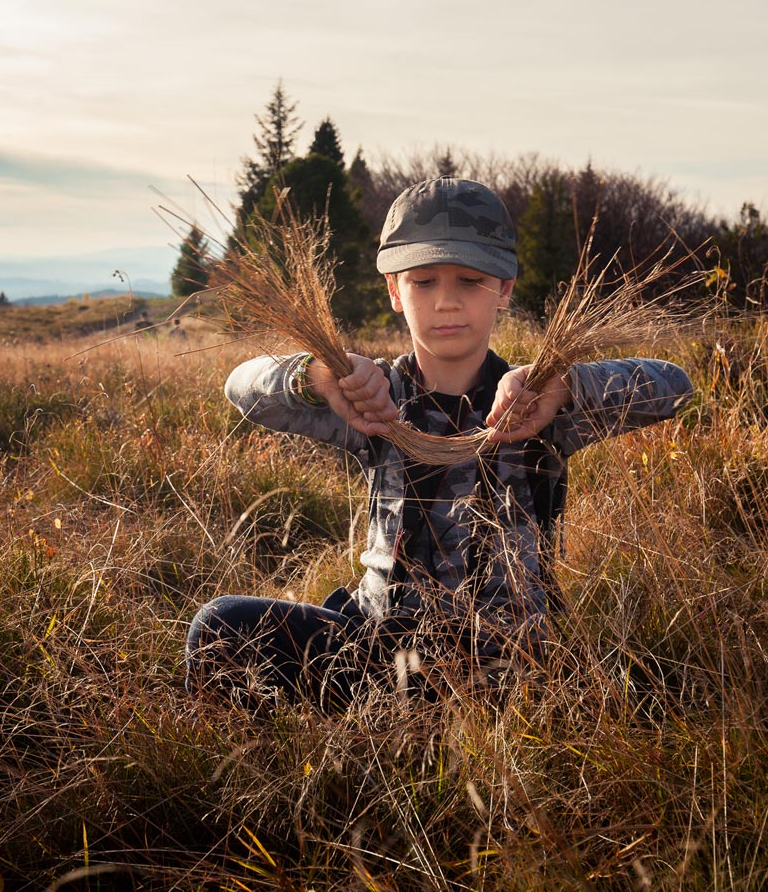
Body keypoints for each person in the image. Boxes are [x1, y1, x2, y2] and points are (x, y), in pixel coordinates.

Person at [185, 177, 693, 708]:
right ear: (393, 292)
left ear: (505, 288)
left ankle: (405, 725)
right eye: (423, 282)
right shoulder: (371, 401)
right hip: (374, 645)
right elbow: (241, 389)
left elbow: (673, 387)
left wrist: (564, 388)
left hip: (498, 661)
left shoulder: (538, 405)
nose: (447, 302)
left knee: (486, 699)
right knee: (219, 626)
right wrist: (314, 377)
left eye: (471, 281)